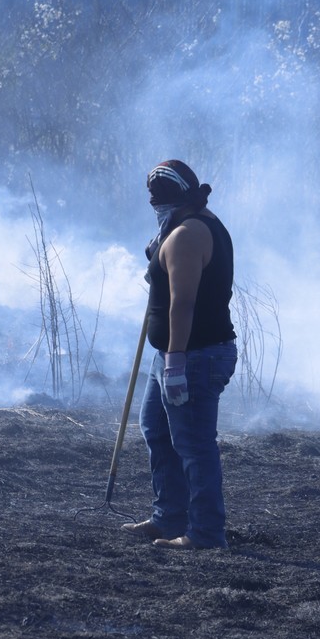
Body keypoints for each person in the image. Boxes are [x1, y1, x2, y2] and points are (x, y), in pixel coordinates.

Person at [122, 160, 237, 550]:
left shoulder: (188, 234)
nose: (156, 208)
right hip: (177, 354)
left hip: (193, 357)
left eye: (160, 202)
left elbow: (183, 304)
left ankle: (205, 533)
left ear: (176, 200)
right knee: (156, 428)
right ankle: (169, 517)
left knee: (193, 443)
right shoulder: (187, 226)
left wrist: (175, 363)